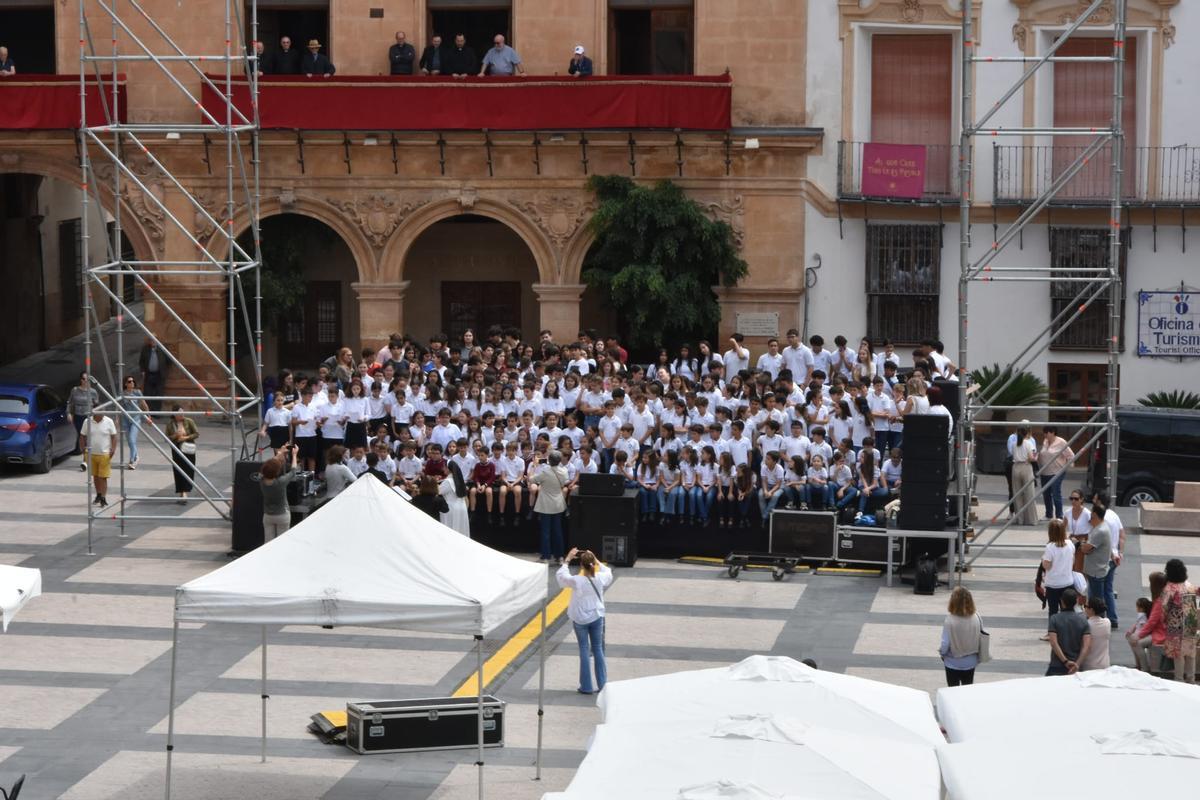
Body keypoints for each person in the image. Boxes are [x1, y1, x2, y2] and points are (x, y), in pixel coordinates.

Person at [556, 547, 613, 694]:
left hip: (580, 619)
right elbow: (608, 571)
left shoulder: (577, 581)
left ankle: (586, 686)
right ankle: (602, 684)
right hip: (597, 616)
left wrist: (568, 558)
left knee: (583, 649)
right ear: (593, 564)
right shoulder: (600, 577)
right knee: (598, 649)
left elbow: (561, 576)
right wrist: (595, 559)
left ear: (581, 565)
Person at [1162, 558, 1198, 683]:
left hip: (1175, 625)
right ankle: (1191, 680)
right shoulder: (1189, 585)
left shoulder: (1169, 588)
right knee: (1191, 653)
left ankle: (1179, 680)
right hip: (1191, 623)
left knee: (1178, 654)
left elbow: (1164, 608)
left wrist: (1164, 621)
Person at [530, 450, 569, 563]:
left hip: (546, 505)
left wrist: (534, 465)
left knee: (545, 531)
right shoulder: (564, 471)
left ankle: (546, 556)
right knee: (558, 531)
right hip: (558, 504)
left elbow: (531, 479)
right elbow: (565, 483)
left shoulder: (545, 472)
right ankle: (560, 556)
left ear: (549, 460)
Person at [940, 587, 983, 686]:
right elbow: (981, 637)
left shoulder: (949, 620)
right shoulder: (977, 617)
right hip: (971, 661)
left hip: (952, 662)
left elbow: (945, 643)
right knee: (967, 691)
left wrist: (942, 654)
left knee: (952, 692)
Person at [1040, 519, 1076, 633]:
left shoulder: (1050, 547)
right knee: (1068, 610)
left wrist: (1042, 560)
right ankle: (1068, 631)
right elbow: (1073, 560)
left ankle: (1052, 633)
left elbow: (1047, 566)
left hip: (1053, 584)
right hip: (1068, 582)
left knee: (1053, 611)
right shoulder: (1070, 544)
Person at [1046, 588, 1091, 676]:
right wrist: (1077, 664)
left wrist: (1065, 661)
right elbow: (1086, 647)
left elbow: (1054, 643)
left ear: (1062, 602)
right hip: (1076, 666)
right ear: (1076, 601)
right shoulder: (1083, 620)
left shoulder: (1054, 619)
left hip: (1057, 664)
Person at [1128, 571, 1167, 672]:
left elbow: (1151, 623)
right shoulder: (1161, 598)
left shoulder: (1159, 601)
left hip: (1160, 633)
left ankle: (1143, 668)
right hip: (1157, 630)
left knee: (1136, 642)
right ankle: (1140, 665)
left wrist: (1138, 635)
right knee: (1132, 638)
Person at [79, 410, 117, 507]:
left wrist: (113, 449)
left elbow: (114, 436)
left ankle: (103, 497)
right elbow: (82, 436)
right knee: (95, 476)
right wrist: (83, 449)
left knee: (103, 477)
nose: (103, 413)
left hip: (104, 453)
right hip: (91, 454)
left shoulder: (109, 421)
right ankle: (98, 494)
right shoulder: (87, 422)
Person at [260, 446, 297, 540]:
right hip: (282, 514)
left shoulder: (261, 480)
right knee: (282, 541)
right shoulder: (280, 482)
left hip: (268, 515)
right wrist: (294, 455)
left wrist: (279, 454)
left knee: (268, 542)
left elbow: (268, 466)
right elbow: (293, 471)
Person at [1078, 502, 1112, 604]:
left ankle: (1100, 619)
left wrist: (1081, 544)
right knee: (1095, 600)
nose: (1090, 519)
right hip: (1096, 571)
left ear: (1095, 515)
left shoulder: (1100, 531)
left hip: (1096, 572)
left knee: (1096, 602)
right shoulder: (1100, 526)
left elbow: (1085, 549)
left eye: (1091, 516)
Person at [1038, 426, 1074, 520]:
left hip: (1057, 472)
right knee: (1046, 494)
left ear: (1053, 432)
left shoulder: (1061, 442)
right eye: (1044, 432)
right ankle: (1048, 514)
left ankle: (1059, 515)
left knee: (1055, 493)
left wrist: (1065, 468)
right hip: (1045, 472)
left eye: (1047, 432)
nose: (1045, 434)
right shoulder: (1045, 441)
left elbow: (1071, 456)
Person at [164, 406, 199, 503]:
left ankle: (185, 492)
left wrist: (186, 437)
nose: (182, 415)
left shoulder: (189, 421)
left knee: (188, 469)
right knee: (178, 470)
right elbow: (166, 438)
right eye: (179, 413)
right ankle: (182, 492)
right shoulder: (170, 424)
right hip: (176, 450)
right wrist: (176, 435)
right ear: (174, 415)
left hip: (188, 449)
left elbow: (196, 433)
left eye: (183, 413)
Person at [1009, 421, 1038, 525]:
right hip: (1026, 467)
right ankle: (1032, 520)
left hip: (1015, 467)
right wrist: (1036, 457)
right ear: (1027, 433)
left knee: (1017, 495)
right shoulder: (1029, 443)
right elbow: (1031, 458)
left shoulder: (1013, 444)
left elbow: (1012, 455)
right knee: (1029, 494)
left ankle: (1020, 519)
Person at [119, 376, 150, 469]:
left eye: (133, 381)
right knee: (130, 442)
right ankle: (136, 456)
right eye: (129, 381)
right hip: (125, 419)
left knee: (132, 439)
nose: (132, 383)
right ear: (125, 384)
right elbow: (119, 407)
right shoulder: (122, 394)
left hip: (136, 418)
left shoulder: (137, 392)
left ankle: (133, 459)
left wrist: (148, 416)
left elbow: (144, 404)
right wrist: (117, 419)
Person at [68, 371, 98, 459]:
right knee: (81, 437)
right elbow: (70, 403)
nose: (86, 381)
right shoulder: (75, 390)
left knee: (88, 438)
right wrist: (69, 413)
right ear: (81, 380)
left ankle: (86, 459)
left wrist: (96, 416)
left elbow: (97, 405)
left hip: (88, 417)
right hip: (78, 417)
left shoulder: (93, 392)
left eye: (88, 379)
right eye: (84, 379)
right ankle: (85, 456)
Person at [439, 461, 471, 536]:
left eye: (444, 467)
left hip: (451, 509)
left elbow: (437, 491)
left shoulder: (448, 482)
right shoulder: (459, 480)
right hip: (462, 508)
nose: (443, 468)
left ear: (448, 469)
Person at [1079, 596, 1111, 671]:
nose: (1084, 608)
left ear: (1091, 610)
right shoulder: (1107, 622)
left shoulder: (1086, 625)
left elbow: (1086, 647)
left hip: (1089, 665)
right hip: (1104, 664)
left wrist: (1078, 663)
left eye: (1085, 606)